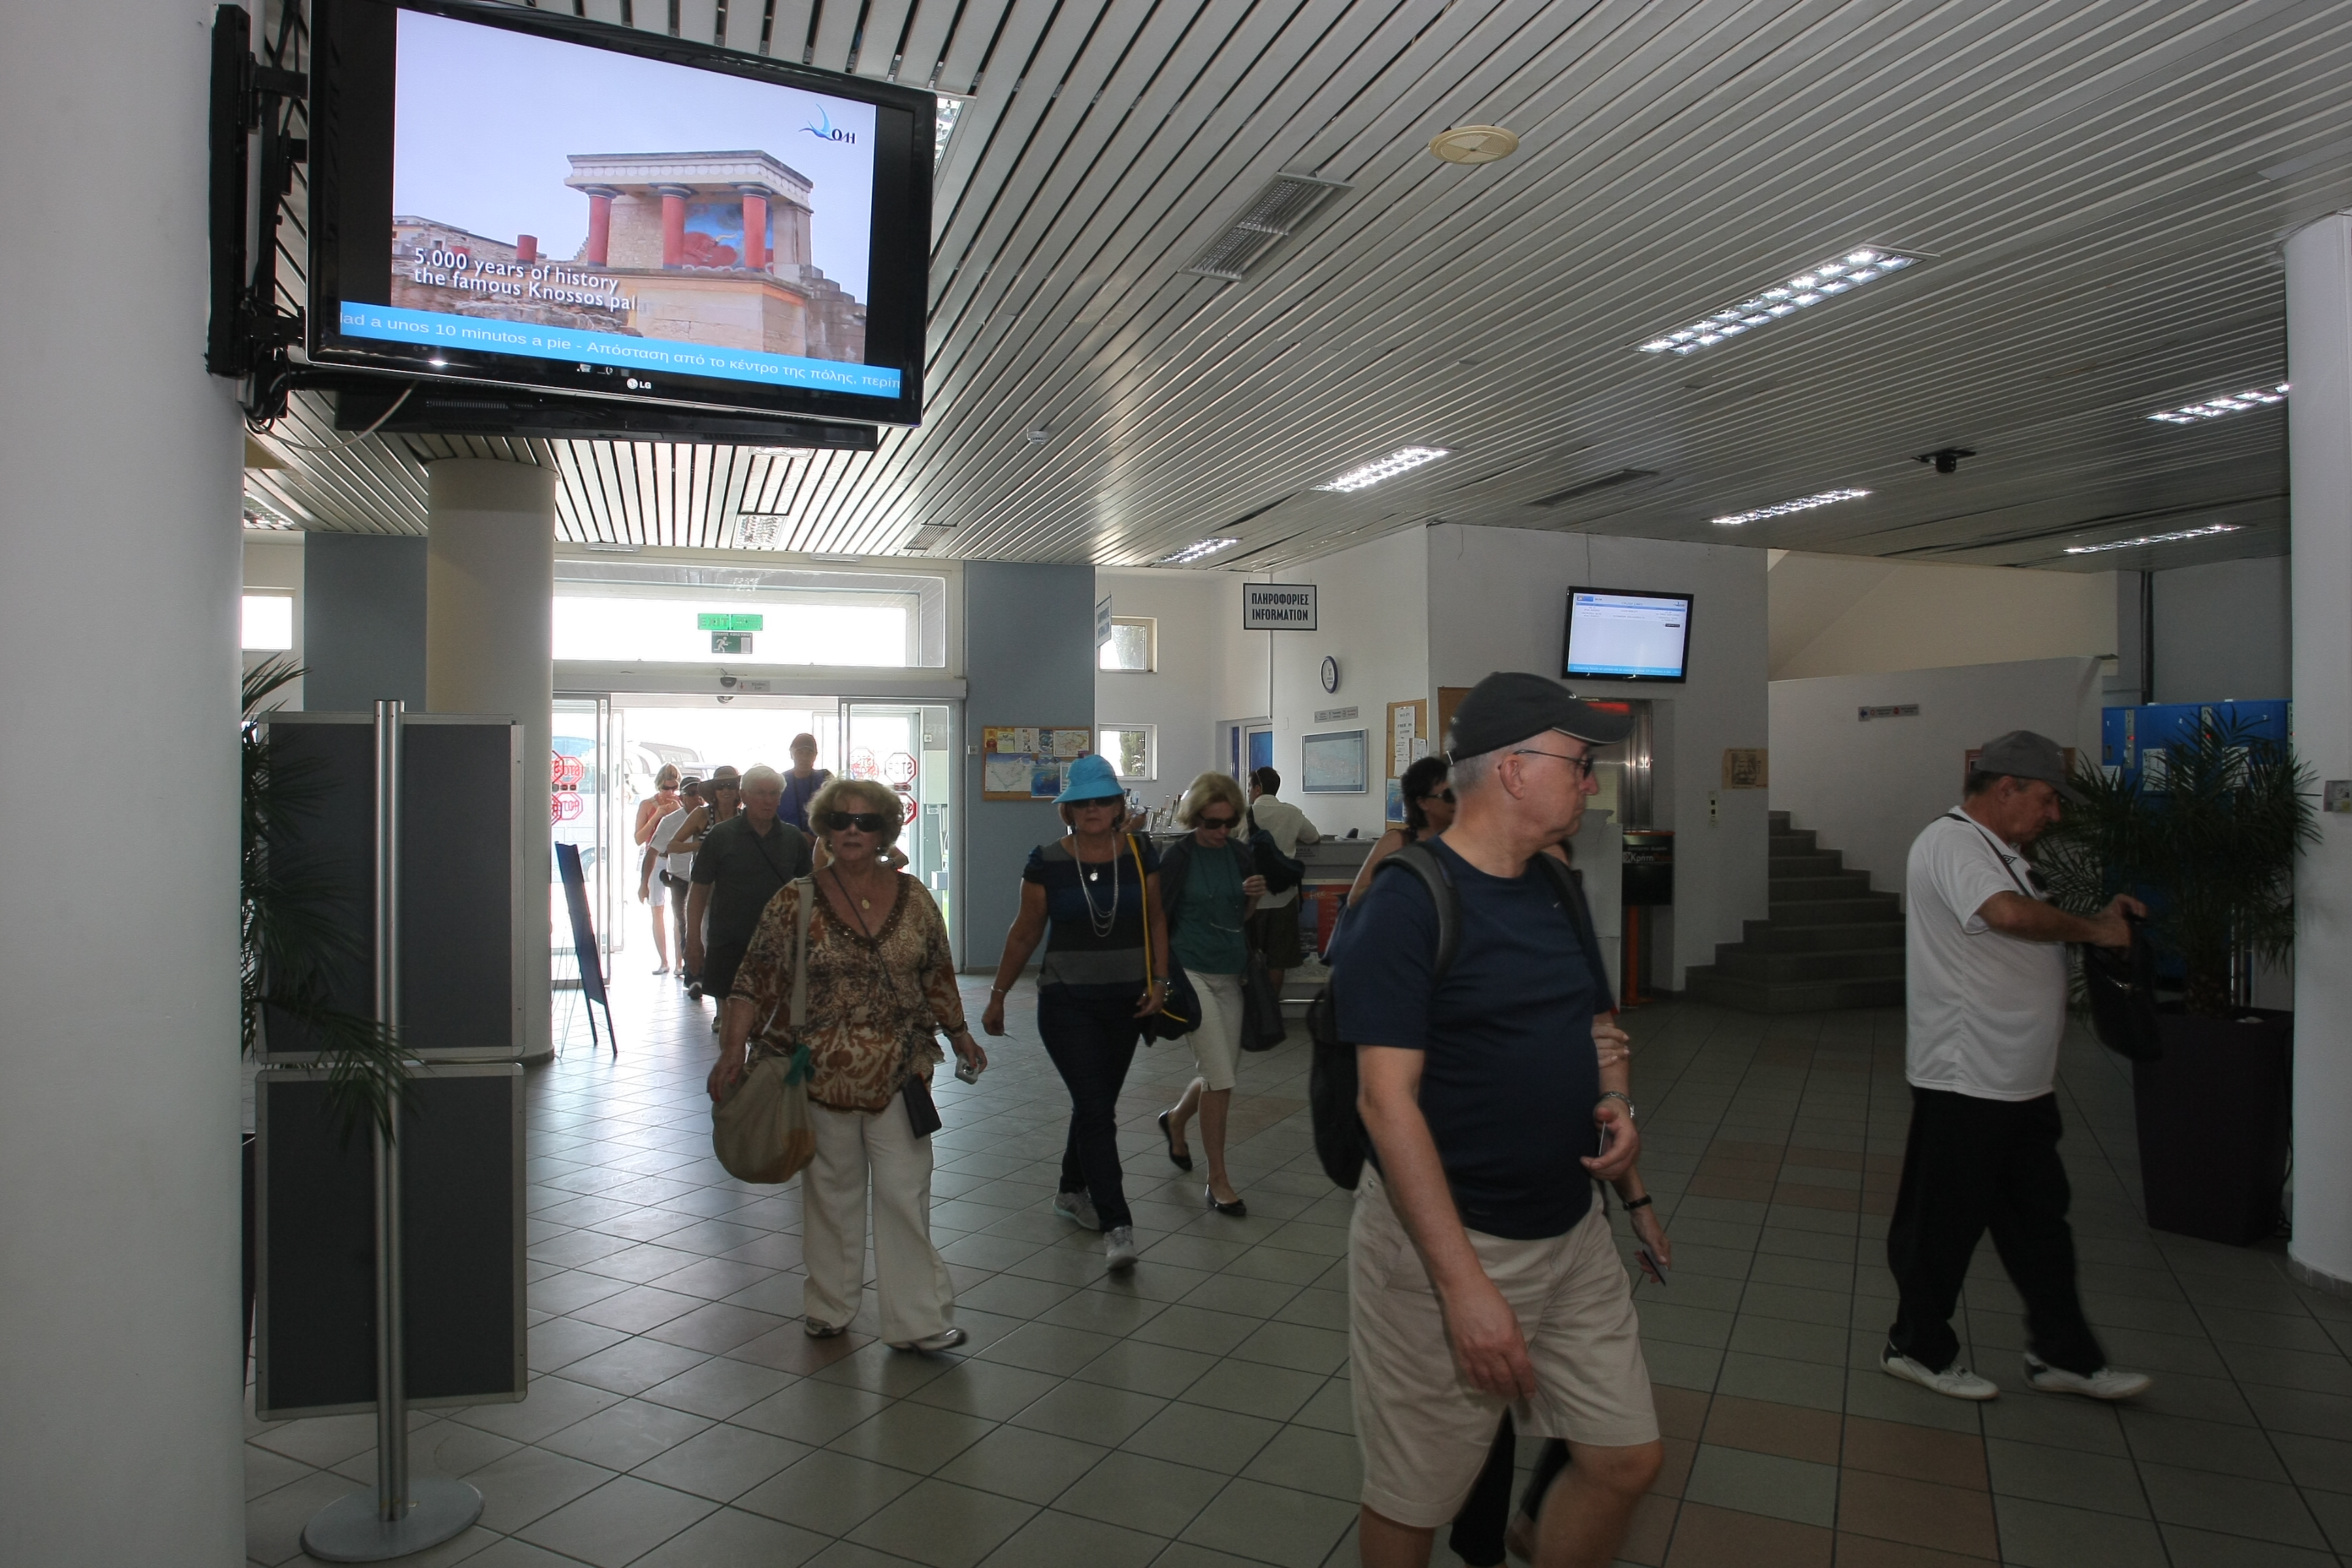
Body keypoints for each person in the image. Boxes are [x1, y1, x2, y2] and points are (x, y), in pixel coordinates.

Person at [1336, 671, 1659, 1568]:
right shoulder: (1409, 900)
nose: (1593, 782)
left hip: (1570, 1227)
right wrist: (1464, 1287)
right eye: (1580, 763)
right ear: (1513, 772)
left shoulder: (1554, 885)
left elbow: (1598, 1030)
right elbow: (1383, 1100)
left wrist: (1617, 1110)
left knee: (1627, 1458)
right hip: (1450, 1243)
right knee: (1414, 1497)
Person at [1883, 730, 2153, 1403]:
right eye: (2046, 800)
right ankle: (1916, 1347)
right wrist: (2096, 930)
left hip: (2018, 1081)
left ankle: (2062, 1353)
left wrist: (2099, 923)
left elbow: (2027, 919)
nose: (2053, 816)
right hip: (1966, 1076)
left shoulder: (2001, 852)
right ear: (2004, 790)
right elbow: (2005, 916)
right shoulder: (1950, 843)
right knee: (1941, 1223)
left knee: (2039, 1224)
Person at [709, 776, 983, 1352]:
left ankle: (918, 1321)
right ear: (825, 830)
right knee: (832, 1193)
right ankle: (829, 1306)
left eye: (865, 822)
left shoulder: (915, 899)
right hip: (819, 1071)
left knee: (906, 1192)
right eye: (841, 821)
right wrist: (732, 1051)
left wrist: (960, 1036)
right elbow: (752, 979)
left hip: (903, 1070)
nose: (852, 831)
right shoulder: (795, 900)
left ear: (885, 830)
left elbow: (936, 973)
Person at [981, 753, 1170, 1271]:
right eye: (1082, 802)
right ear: (1067, 810)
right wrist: (997, 994)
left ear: (1117, 806)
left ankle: (1070, 1189)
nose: (1093, 810)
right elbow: (1025, 931)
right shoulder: (1047, 861)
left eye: (1103, 800)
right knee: (1096, 1108)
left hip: (1128, 1000)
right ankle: (1118, 1224)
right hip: (1067, 1003)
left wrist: (1160, 981)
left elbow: (1156, 919)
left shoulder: (1140, 854)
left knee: (1096, 1105)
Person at [1158, 772, 1269, 1215]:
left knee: (1217, 1073)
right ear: (1195, 818)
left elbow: (1241, 917)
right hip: (1191, 974)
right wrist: (1160, 978)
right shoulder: (1177, 859)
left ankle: (1177, 1119)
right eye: (1212, 823)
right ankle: (1218, 1179)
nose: (1221, 831)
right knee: (1221, 1079)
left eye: (1229, 823)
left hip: (1231, 972)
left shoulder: (1241, 855)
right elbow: (1159, 920)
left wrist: (1254, 898)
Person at [686, 766, 813, 1030]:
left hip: (780, 946)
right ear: (744, 795)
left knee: (776, 1021)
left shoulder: (793, 839)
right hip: (730, 941)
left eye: (774, 794)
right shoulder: (721, 836)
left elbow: (808, 892)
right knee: (731, 1020)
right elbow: (699, 889)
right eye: (760, 794)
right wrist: (693, 940)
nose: (768, 800)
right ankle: (733, 1070)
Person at [1243, 766, 1320, 993]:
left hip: (1252, 898)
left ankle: (1250, 1012)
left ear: (1257, 789)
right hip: (1284, 897)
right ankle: (1271, 1013)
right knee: (1278, 961)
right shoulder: (1292, 813)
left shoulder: (1244, 814)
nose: (1248, 792)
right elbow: (1313, 837)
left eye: (1249, 788)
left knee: (1247, 957)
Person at [1348, 755, 1456, 904]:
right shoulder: (1398, 842)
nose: (1458, 800)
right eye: (1449, 795)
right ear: (1423, 802)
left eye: (1461, 792)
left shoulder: (1469, 841)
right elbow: (1356, 899)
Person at [636, 769, 687, 975]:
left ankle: (679, 963)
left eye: (675, 788)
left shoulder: (684, 805)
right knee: (657, 909)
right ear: (659, 786)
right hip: (655, 859)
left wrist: (679, 810)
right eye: (667, 788)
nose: (671, 792)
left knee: (679, 912)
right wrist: (657, 814)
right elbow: (639, 838)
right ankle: (664, 961)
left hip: (676, 859)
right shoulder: (648, 805)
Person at [778, 732, 832, 834]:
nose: (804, 757)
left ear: (815, 755)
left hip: (819, 839)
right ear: (792, 754)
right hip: (787, 840)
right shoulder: (780, 781)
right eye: (800, 752)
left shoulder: (825, 779)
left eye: (809, 753)